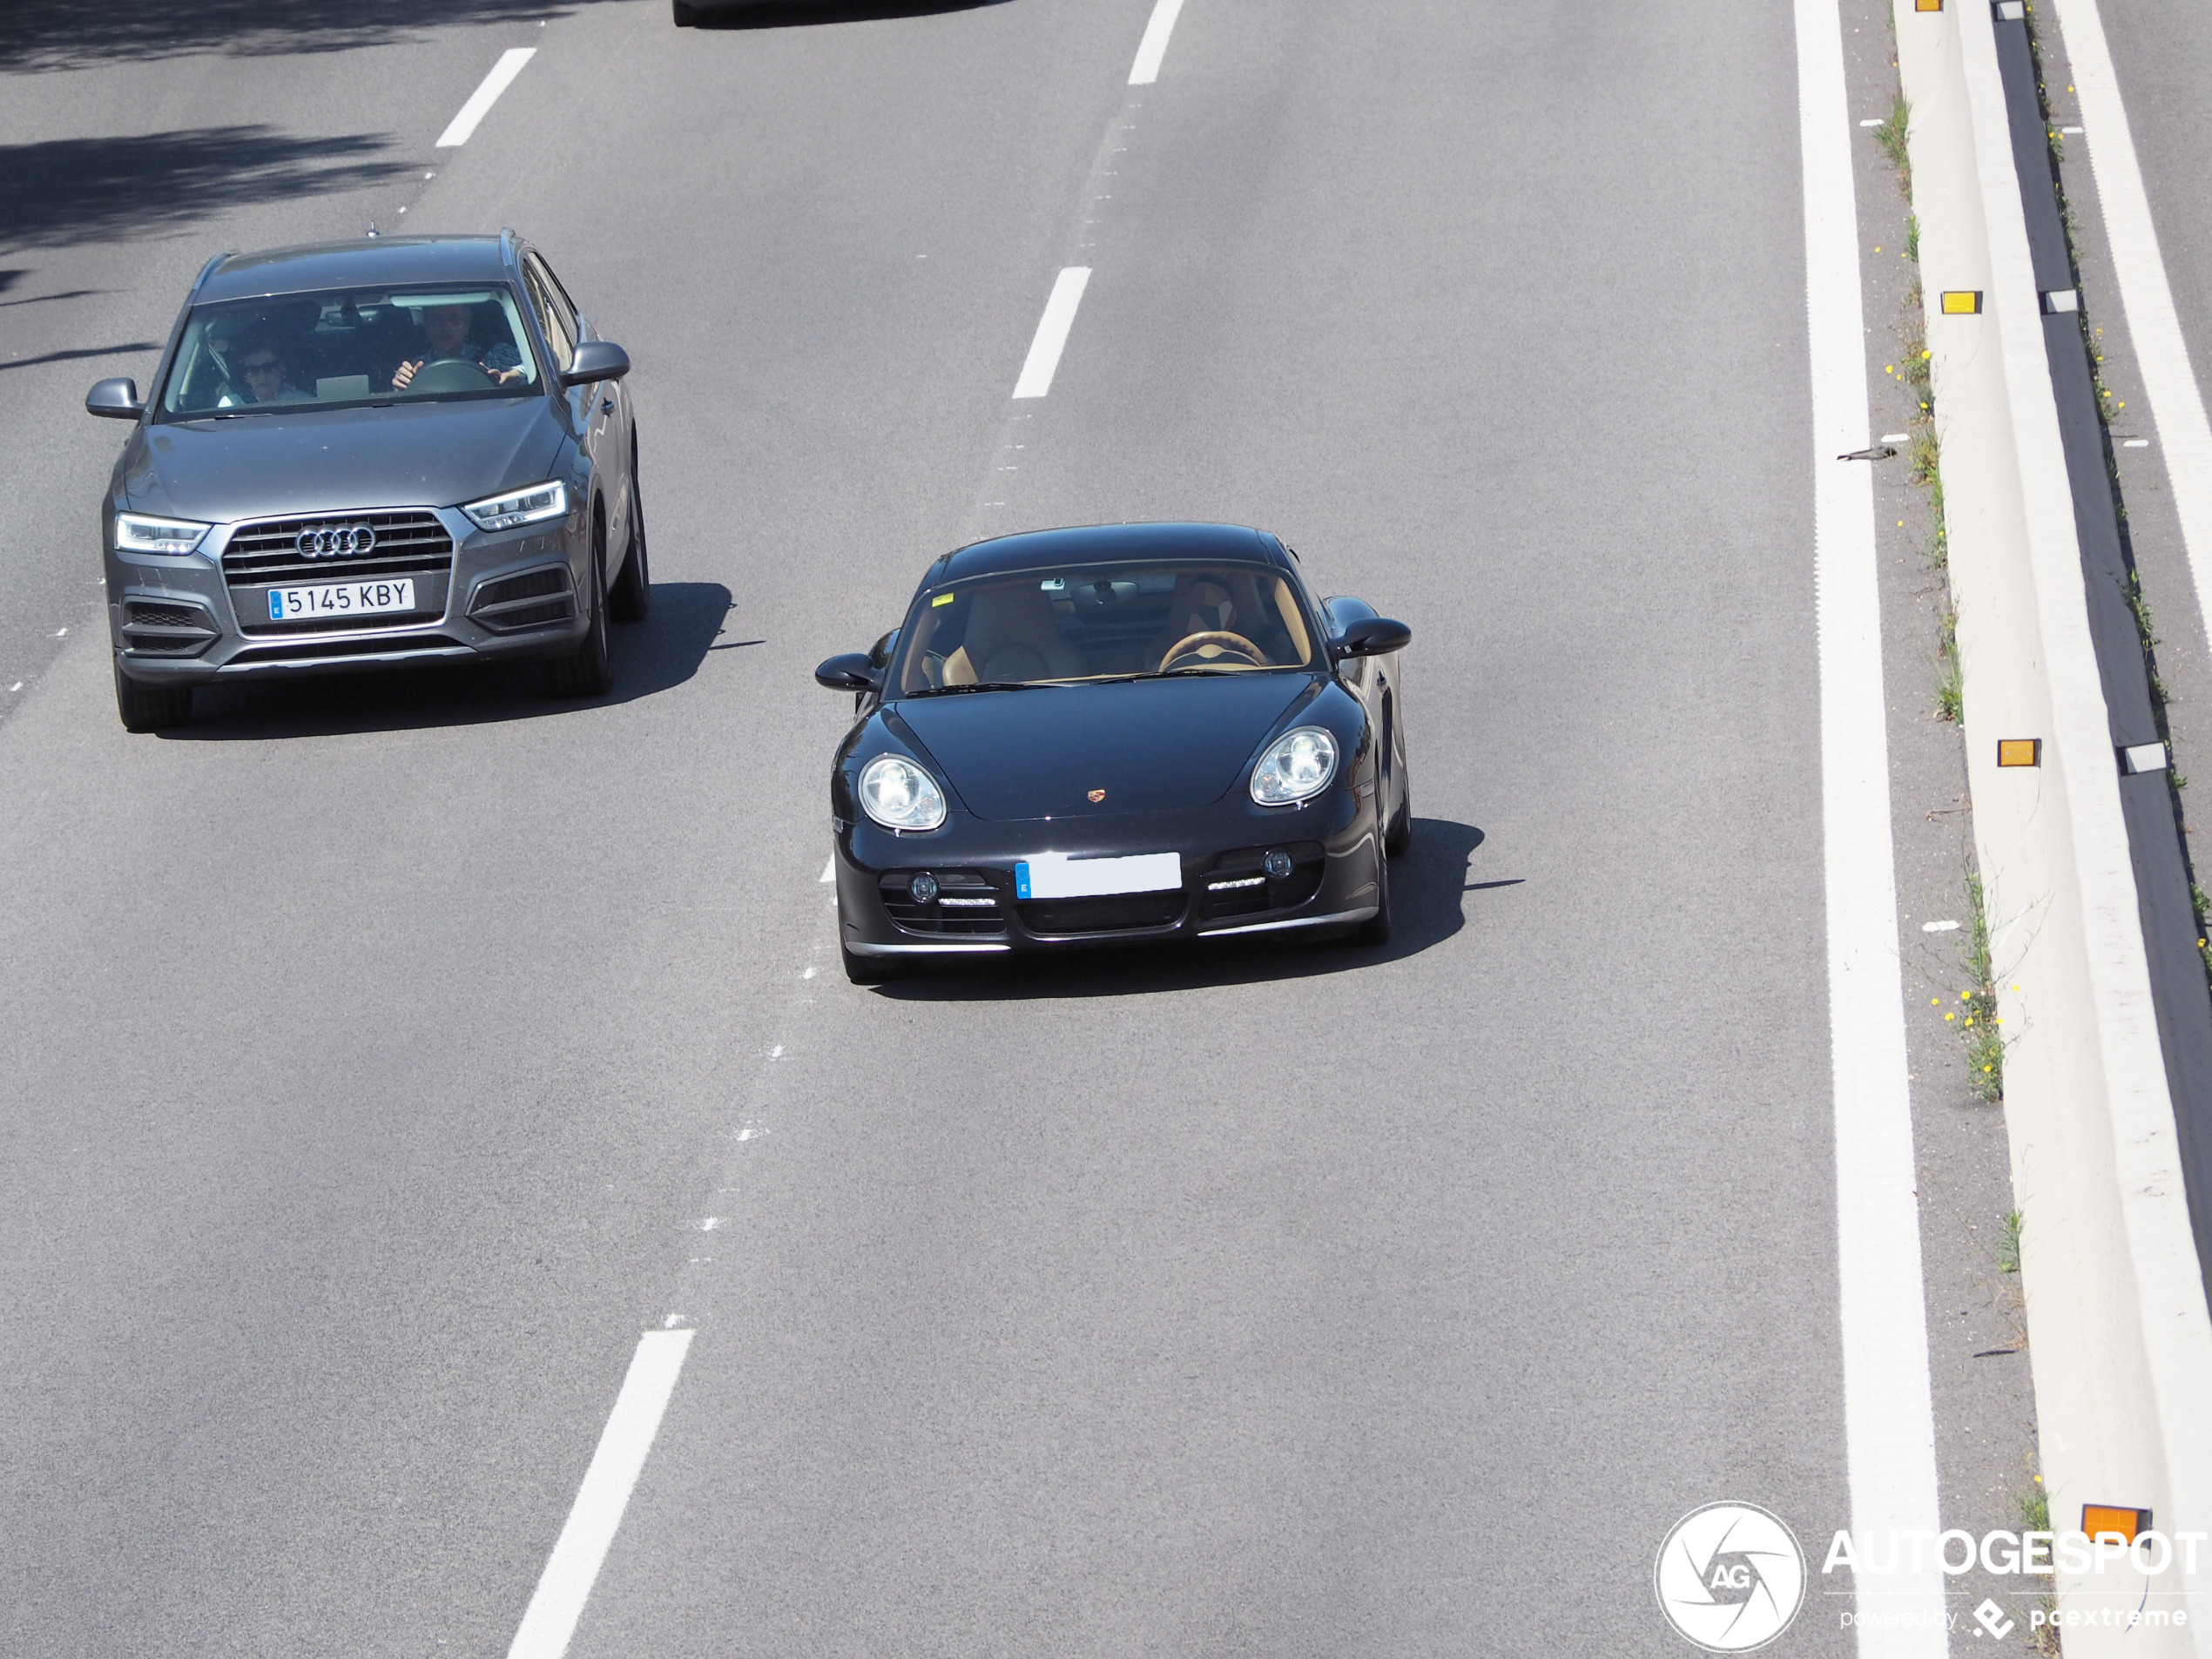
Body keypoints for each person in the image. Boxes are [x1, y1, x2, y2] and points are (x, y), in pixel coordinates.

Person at [391, 302, 524, 390]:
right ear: (426, 326)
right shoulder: (417, 367)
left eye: (454, 319)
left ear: (467, 325)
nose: (445, 327)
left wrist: (516, 375)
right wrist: (401, 388)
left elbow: (536, 367)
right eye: (436, 320)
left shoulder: (495, 354)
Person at [220, 325, 307, 406]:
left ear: (282, 367)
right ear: (245, 375)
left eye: (269, 367)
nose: (262, 377)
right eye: (253, 370)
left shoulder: (304, 404)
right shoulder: (230, 406)